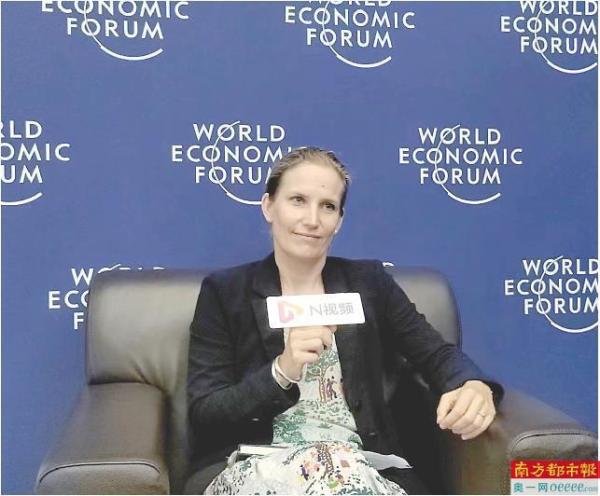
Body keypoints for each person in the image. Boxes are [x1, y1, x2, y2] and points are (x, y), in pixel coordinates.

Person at [185, 147, 503, 494]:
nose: (312, 219)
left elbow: (435, 353)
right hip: (258, 467)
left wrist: (473, 385)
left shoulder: (369, 283)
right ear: (268, 206)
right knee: (328, 466)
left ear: (339, 220)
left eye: (327, 206)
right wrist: (281, 371)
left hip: (358, 468)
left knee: (338, 467)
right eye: (298, 200)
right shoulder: (225, 293)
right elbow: (206, 412)